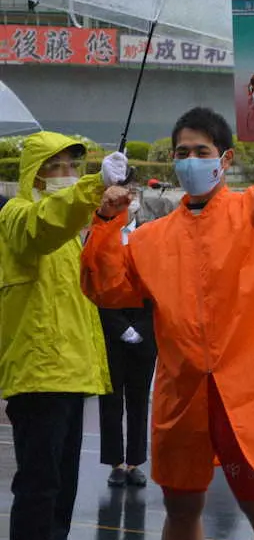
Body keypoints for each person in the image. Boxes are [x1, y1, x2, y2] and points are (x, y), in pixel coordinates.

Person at [80, 107, 254, 540]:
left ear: (225, 159)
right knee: (180, 508)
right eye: (182, 152)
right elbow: (106, 286)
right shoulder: (151, 238)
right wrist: (107, 220)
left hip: (248, 396)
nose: (190, 160)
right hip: (182, 396)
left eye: (201, 151)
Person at [0, 131, 124, 540]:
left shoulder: (70, 234)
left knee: (60, 491)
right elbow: (45, 223)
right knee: (40, 489)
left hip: (69, 375)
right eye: (57, 167)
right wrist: (94, 185)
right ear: (35, 175)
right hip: (39, 377)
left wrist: (103, 215)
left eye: (73, 165)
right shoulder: (16, 216)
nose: (68, 173)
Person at [98, 194, 157, 488]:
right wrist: (120, 327)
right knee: (111, 401)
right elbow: (96, 286)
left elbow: (160, 286)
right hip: (112, 332)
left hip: (145, 332)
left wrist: (142, 328)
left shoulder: (151, 237)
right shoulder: (102, 237)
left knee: (138, 400)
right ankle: (115, 463)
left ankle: (135, 461)